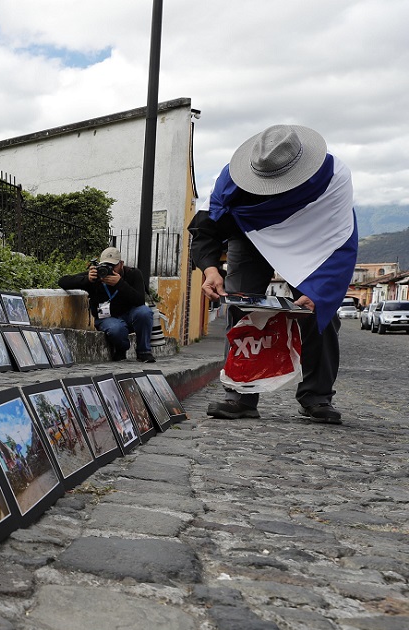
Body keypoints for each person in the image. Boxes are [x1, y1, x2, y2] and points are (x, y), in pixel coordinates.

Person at [189, 124, 355, 424]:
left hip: (312, 237)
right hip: (250, 235)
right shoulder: (229, 181)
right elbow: (205, 229)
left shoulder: (333, 178)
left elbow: (341, 240)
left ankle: (317, 396)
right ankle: (239, 394)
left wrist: (320, 292)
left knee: (322, 312)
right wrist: (211, 270)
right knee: (241, 306)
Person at [58, 246, 155, 362]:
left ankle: (144, 352)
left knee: (144, 312)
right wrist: (87, 279)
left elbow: (139, 300)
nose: (109, 269)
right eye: (106, 265)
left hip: (130, 316)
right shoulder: (96, 276)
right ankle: (121, 349)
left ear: (121, 264)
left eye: (113, 266)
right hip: (107, 318)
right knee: (116, 328)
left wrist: (120, 284)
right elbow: (63, 281)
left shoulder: (133, 274)